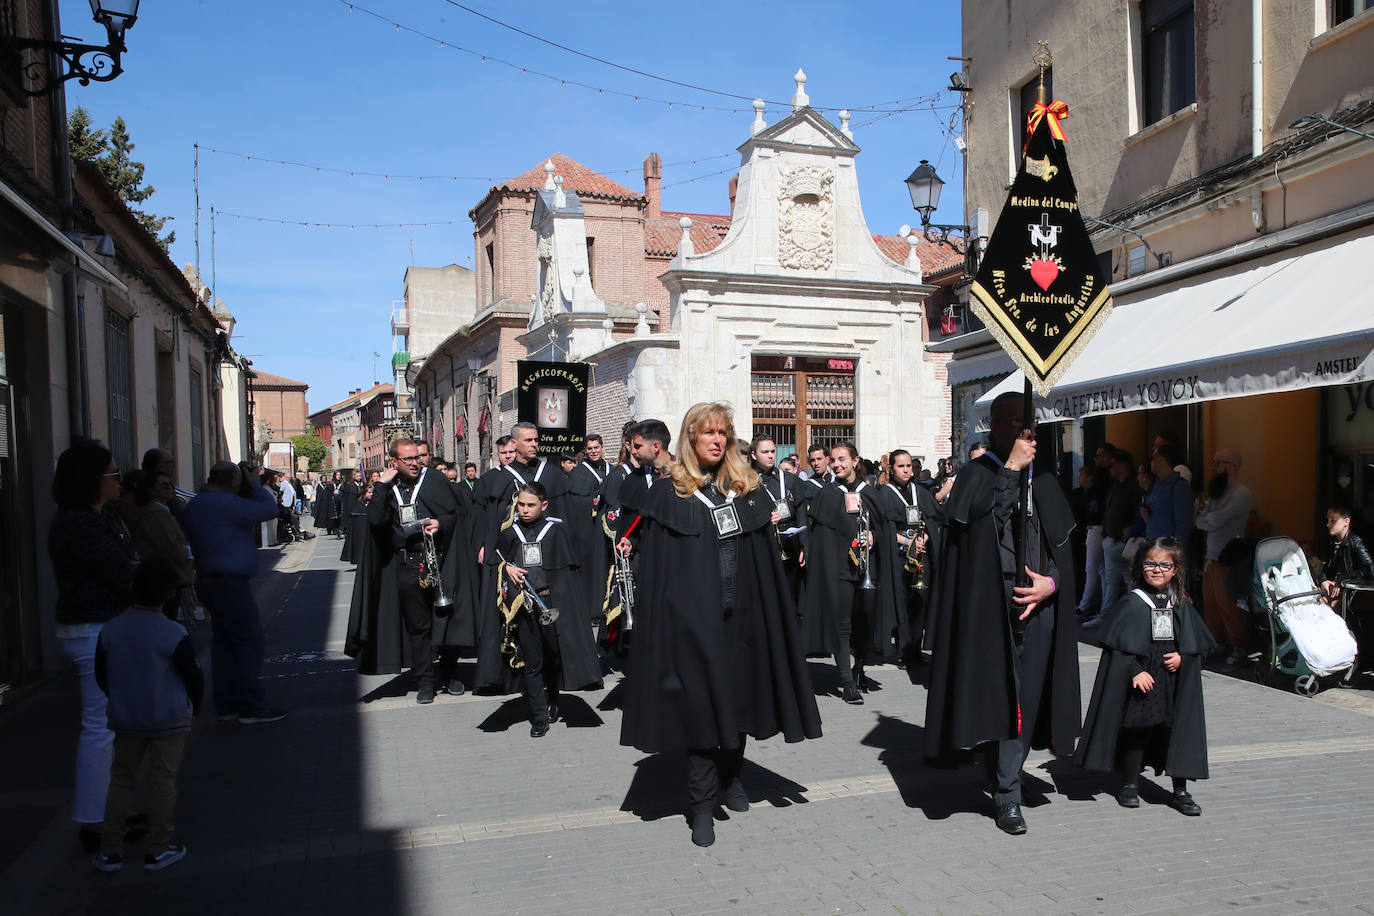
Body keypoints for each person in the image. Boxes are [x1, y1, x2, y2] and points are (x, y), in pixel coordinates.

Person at [619, 403, 822, 848]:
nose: (717, 440)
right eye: (708, 433)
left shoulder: (747, 490)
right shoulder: (670, 494)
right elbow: (658, 570)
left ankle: (732, 777)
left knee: (740, 705)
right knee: (701, 714)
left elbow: (764, 562)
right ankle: (702, 805)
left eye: (724, 434)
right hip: (694, 623)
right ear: (690, 439)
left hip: (744, 619)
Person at [924, 391, 1080, 836]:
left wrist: (1052, 584)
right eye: (1012, 421)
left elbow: (1065, 550)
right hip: (993, 609)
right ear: (993, 425)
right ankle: (1007, 792)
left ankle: (1004, 776)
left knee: (1028, 701)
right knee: (1003, 697)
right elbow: (977, 531)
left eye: (1026, 421)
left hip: (1041, 605)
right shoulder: (978, 474)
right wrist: (1010, 468)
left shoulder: (1045, 478)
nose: (1021, 429)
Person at [1074, 538, 1213, 816]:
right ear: (1141, 566)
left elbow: (1199, 645)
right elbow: (1117, 648)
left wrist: (1183, 658)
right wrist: (1135, 671)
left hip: (1173, 680)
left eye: (1165, 565)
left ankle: (1180, 790)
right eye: (1151, 563)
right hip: (1144, 679)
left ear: (1176, 569)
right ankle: (1129, 784)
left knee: (1175, 731)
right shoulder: (1132, 602)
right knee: (1138, 730)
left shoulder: (1182, 603)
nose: (1157, 569)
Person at [50, 440, 137, 853]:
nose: (119, 481)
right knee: (99, 726)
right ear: (92, 480)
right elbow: (120, 569)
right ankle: (94, 818)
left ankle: (110, 809)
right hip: (93, 628)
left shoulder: (102, 517)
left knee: (110, 725)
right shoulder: (79, 523)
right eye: (113, 474)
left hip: (105, 625)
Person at [91, 557, 203, 873]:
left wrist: (118, 698)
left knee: (122, 780)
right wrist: (195, 705)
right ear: (169, 594)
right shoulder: (172, 631)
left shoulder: (111, 629)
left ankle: (110, 851)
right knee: (163, 779)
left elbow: (102, 674)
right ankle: (158, 847)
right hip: (168, 716)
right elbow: (193, 676)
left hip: (126, 716)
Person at [346, 437, 465, 704]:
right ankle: (425, 680)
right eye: (408, 459)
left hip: (438, 559)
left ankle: (451, 671)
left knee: (446, 619)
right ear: (394, 462)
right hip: (406, 564)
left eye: (417, 457)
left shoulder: (434, 480)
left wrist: (440, 523)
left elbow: (456, 514)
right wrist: (380, 486)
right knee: (418, 626)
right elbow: (375, 521)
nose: (415, 463)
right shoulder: (386, 488)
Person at [181, 461, 286, 724]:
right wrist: (253, 483)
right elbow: (269, 509)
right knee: (249, 641)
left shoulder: (198, 503)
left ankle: (226, 704)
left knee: (225, 644)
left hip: (210, 580)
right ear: (232, 481)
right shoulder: (223, 503)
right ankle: (249, 704)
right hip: (229, 583)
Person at [496, 482, 603, 736]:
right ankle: (539, 716)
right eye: (521, 504)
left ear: (543, 506)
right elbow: (496, 561)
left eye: (530, 505)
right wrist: (506, 568)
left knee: (553, 658)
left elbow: (569, 575)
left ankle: (553, 698)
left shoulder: (556, 532)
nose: (524, 510)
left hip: (551, 604)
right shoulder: (509, 533)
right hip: (524, 606)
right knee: (532, 662)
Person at [874, 449, 942, 662]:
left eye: (908, 466)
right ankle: (904, 648)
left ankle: (915, 645)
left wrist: (923, 540)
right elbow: (882, 527)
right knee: (901, 600)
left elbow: (932, 519)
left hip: (921, 553)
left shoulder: (920, 491)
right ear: (891, 469)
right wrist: (908, 542)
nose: (906, 470)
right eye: (900, 466)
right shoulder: (884, 493)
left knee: (920, 599)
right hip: (898, 554)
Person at [1194, 450, 1253, 670]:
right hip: (1212, 557)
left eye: (1218, 463)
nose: (1214, 467)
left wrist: (1205, 518)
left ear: (1231, 466)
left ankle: (1238, 646)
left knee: (1229, 605)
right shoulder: (1218, 493)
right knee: (1212, 605)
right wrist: (1205, 518)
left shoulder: (1242, 493)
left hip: (1229, 557)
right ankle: (1217, 642)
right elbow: (1201, 521)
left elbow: (1215, 519)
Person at [128, 471, 195, 620]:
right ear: (151, 490)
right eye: (164, 485)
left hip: (167, 574)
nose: (170, 488)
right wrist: (187, 553)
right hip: (162, 576)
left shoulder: (159, 510)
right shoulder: (154, 513)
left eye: (171, 484)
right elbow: (170, 547)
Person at [1091, 449, 1143, 628]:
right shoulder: (1115, 486)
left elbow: (1138, 511)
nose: (1110, 467)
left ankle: (1129, 616)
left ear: (1123, 465)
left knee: (1129, 579)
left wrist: (1131, 530)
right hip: (1111, 538)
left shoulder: (1133, 486)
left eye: (1113, 464)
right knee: (1111, 579)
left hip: (1125, 540)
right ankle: (1107, 616)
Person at [750, 435, 805, 602]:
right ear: (754, 455)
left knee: (789, 596)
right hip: (761, 546)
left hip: (789, 547)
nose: (770, 455)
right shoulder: (746, 480)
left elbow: (802, 514)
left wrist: (804, 546)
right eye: (765, 452)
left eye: (773, 451)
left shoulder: (790, 480)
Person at [567, 434, 614, 621]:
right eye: (590, 448)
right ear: (585, 451)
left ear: (602, 448)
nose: (594, 451)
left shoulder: (613, 470)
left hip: (611, 528)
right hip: (589, 529)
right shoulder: (577, 474)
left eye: (596, 447)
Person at [1321, 505, 1374, 600]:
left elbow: (1368, 570)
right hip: (1337, 594)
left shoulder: (1356, 542)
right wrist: (1324, 581)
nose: (1328, 524)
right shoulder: (1332, 544)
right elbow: (1326, 570)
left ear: (1346, 521)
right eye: (1328, 520)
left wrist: (1342, 580)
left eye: (1333, 520)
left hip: (1351, 595)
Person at [1144, 444, 1193, 544]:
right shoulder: (1157, 486)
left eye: (1152, 458)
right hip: (1154, 548)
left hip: (1168, 551)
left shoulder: (1179, 486)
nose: (1150, 462)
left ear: (1161, 459)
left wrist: (1175, 551)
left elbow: (1183, 523)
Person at [337, 470, 363, 540]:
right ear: (354, 476)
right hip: (351, 504)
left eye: (360, 476)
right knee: (347, 518)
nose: (359, 477)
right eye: (357, 476)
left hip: (358, 504)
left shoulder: (361, 484)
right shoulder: (351, 485)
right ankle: (341, 530)